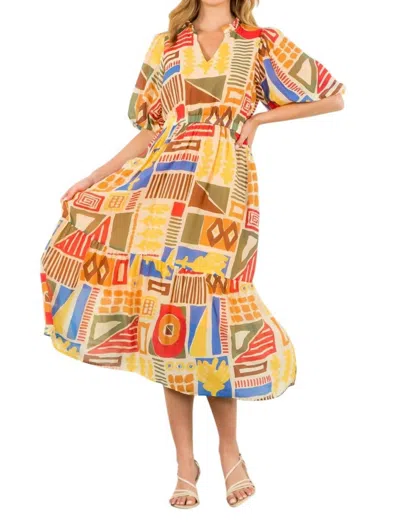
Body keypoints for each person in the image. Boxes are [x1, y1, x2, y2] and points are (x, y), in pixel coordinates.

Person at [39, 0, 345, 509]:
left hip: (224, 192)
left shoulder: (259, 42)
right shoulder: (166, 45)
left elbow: (333, 98)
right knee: (170, 314)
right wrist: (94, 177)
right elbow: (152, 129)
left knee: (214, 310)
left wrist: (261, 119)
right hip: (163, 188)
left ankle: (229, 450)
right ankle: (186, 463)